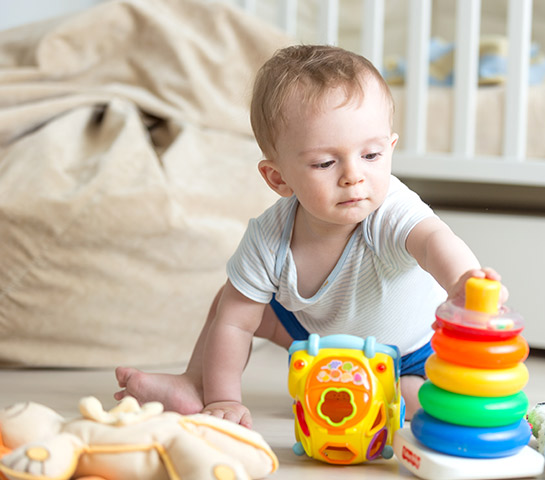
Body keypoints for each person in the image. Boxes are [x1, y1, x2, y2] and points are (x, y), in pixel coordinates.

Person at [115, 44, 507, 429]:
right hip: (320, 344)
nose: (353, 175)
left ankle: (401, 392)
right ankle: (195, 384)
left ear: (390, 148)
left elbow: (432, 240)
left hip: (414, 351)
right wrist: (225, 401)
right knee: (232, 303)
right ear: (278, 177)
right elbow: (234, 324)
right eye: (325, 162)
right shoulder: (269, 238)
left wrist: (462, 281)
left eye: (371, 156)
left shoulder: (389, 209)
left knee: (407, 399)